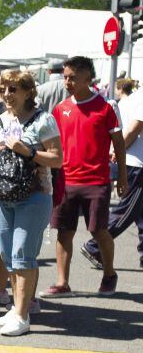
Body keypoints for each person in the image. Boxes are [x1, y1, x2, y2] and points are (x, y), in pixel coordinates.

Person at [0, 70, 63, 336]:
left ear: (28, 92)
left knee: (22, 254)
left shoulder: (44, 120)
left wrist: (27, 150)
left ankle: (22, 314)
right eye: (4, 89)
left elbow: (57, 159)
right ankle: (17, 305)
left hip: (34, 196)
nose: (7, 94)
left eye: (13, 89)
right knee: (7, 254)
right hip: (1, 196)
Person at [43, 56, 128, 297]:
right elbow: (52, 145)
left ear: (88, 80)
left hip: (96, 181)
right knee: (64, 231)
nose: (67, 82)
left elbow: (119, 144)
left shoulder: (106, 107)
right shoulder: (61, 109)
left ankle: (109, 274)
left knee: (99, 231)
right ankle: (62, 283)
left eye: (73, 78)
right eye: (65, 77)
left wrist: (121, 176)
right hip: (65, 181)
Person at [82, 84, 143, 269]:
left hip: (132, 160)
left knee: (139, 212)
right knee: (126, 210)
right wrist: (119, 150)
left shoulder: (130, 98)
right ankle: (94, 246)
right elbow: (134, 128)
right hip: (137, 162)